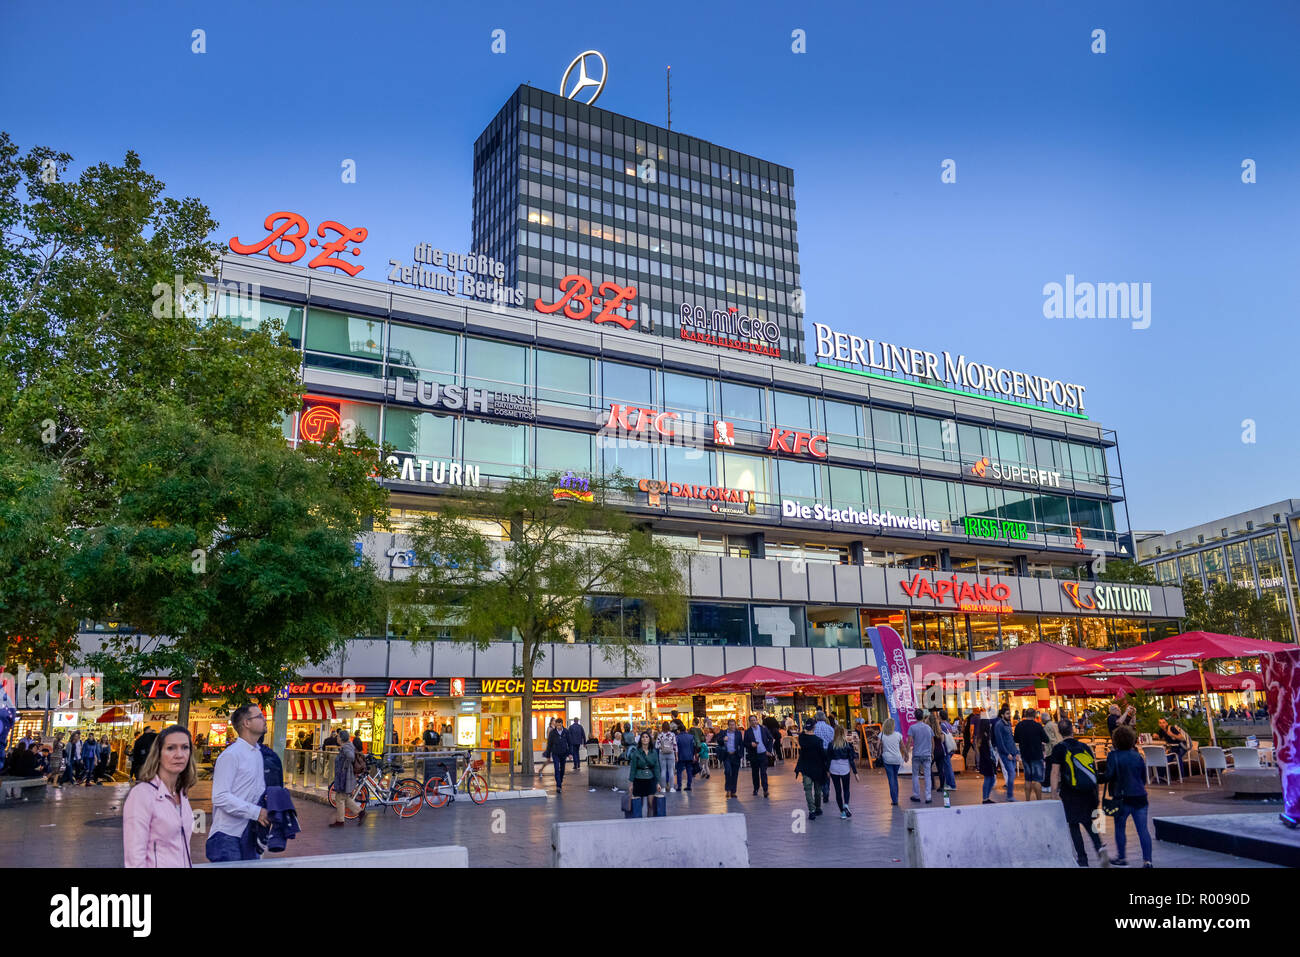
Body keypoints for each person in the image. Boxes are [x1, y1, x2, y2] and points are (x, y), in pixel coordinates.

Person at [122, 725, 196, 867]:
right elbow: (134, 858)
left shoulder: (181, 793)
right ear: (158, 754)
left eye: (185, 747)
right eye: (171, 748)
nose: (179, 754)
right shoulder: (142, 795)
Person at [207, 704, 270, 860]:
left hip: (252, 834)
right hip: (228, 835)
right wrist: (257, 812)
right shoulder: (230, 755)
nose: (264, 719)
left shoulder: (260, 754)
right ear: (246, 723)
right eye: (260, 716)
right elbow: (220, 796)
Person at [1045, 719, 1110, 867]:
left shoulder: (1059, 749)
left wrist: (1053, 793)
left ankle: (1083, 860)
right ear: (1072, 730)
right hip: (1088, 791)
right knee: (1089, 822)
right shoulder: (1085, 747)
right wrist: (1096, 793)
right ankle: (1100, 849)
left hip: (1070, 792)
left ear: (1060, 733)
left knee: (1074, 825)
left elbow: (1055, 772)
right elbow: (1093, 771)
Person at [1101, 725, 1153, 867]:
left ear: (1115, 740)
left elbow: (1109, 775)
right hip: (1140, 796)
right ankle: (1147, 860)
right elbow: (1143, 777)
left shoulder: (1113, 756)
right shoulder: (1138, 756)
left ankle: (1122, 857)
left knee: (1120, 828)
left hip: (1121, 797)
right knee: (1143, 830)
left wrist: (1097, 777)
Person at [329, 728, 364, 828]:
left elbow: (351, 757)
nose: (337, 738)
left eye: (338, 736)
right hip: (344, 775)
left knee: (339, 798)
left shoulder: (346, 747)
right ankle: (361, 813)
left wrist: (345, 766)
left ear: (341, 739)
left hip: (345, 776)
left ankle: (340, 821)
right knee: (344, 797)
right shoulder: (347, 746)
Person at [794, 718, 828, 820]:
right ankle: (817, 807)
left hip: (806, 768)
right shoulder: (818, 741)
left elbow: (803, 735)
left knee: (808, 790)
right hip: (818, 768)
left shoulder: (802, 738)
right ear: (814, 727)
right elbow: (823, 756)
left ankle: (811, 810)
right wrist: (827, 769)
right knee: (818, 791)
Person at [1014, 708, 1051, 800]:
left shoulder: (1019, 725)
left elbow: (1016, 739)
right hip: (1037, 755)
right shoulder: (1038, 726)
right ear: (1035, 715)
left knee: (1028, 779)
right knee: (1037, 779)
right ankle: (1039, 800)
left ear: (1025, 715)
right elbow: (1046, 739)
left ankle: (1028, 800)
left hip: (1025, 755)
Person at [825, 724, 859, 819]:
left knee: (838, 791)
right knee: (846, 789)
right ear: (843, 733)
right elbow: (851, 760)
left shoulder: (831, 744)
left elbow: (828, 759)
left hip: (834, 768)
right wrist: (855, 773)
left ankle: (842, 812)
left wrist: (827, 770)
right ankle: (846, 805)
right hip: (845, 769)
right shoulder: (847, 745)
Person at [626, 731, 662, 816]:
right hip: (639, 779)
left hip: (651, 779)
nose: (645, 738)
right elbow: (633, 769)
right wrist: (631, 784)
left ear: (649, 739)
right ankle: (638, 823)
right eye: (643, 737)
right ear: (640, 740)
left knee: (651, 804)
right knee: (639, 804)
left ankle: (650, 823)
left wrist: (658, 783)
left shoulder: (654, 752)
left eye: (647, 737)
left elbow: (657, 767)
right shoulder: (636, 752)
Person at [904, 708, 933, 803]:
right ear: (923, 716)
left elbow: (909, 742)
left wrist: (906, 753)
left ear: (915, 717)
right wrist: (931, 752)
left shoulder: (912, 728)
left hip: (916, 754)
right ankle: (928, 796)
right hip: (927, 754)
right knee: (927, 776)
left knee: (915, 775)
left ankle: (916, 795)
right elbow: (932, 741)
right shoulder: (928, 728)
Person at [992, 705, 1018, 801]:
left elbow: (1011, 739)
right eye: (1007, 713)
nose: (1009, 715)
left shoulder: (1008, 724)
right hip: (1006, 754)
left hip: (1012, 752)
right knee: (1011, 773)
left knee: (1012, 773)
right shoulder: (999, 725)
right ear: (1002, 715)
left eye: (1009, 713)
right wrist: (1007, 753)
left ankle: (1010, 794)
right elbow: (1000, 742)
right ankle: (1010, 795)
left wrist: (1016, 752)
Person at [744, 714, 774, 797]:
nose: (753, 722)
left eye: (755, 720)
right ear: (749, 722)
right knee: (755, 773)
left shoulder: (763, 729)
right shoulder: (748, 731)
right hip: (754, 755)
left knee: (763, 772)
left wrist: (769, 750)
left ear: (757, 720)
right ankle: (756, 788)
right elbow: (745, 743)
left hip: (763, 754)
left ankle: (765, 790)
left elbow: (771, 738)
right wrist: (751, 744)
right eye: (752, 721)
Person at [717, 718, 745, 799]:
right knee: (728, 772)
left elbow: (741, 744)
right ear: (728, 725)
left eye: (733, 725)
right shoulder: (723, 732)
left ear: (735, 725)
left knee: (735, 774)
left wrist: (741, 755)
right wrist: (723, 739)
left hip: (735, 755)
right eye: (730, 725)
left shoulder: (738, 733)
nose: (732, 726)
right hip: (727, 756)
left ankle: (733, 791)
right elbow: (718, 741)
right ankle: (728, 790)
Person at [879, 717, 904, 805]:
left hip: (887, 759)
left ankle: (894, 799)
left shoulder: (881, 735)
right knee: (895, 778)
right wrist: (906, 754)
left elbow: (878, 746)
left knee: (891, 779)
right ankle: (896, 797)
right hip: (897, 759)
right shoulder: (898, 735)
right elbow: (902, 746)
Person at [930, 710, 956, 792]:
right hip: (949, 748)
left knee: (947, 767)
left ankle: (951, 784)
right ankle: (949, 783)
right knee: (947, 766)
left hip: (945, 749)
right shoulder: (948, 724)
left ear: (940, 716)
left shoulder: (942, 725)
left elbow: (942, 739)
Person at [544, 717, 572, 792]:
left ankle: (560, 780)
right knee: (556, 768)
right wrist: (548, 756)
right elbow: (549, 744)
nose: (558, 727)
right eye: (557, 726)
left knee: (562, 769)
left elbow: (570, 743)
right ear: (555, 725)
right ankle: (558, 785)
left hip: (563, 753)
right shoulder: (552, 733)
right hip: (555, 753)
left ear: (562, 724)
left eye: (560, 725)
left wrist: (570, 753)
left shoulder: (566, 732)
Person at [813, 710, 834, 803]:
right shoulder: (830, 728)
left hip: (817, 752)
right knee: (827, 771)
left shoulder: (813, 728)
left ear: (816, 718)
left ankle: (821, 789)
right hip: (828, 752)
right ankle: (826, 789)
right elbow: (833, 741)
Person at [977, 717, 998, 803]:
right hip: (987, 760)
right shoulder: (984, 737)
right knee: (989, 778)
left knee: (990, 778)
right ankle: (985, 798)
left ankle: (986, 797)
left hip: (986, 760)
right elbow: (985, 751)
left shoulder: (982, 735)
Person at [655, 721, 678, 792]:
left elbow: (656, 746)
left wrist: (662, 747)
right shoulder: (672, 734)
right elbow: (675, 745)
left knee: (663, 771)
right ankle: (671, 788)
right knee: (671, 771)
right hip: (671, 754)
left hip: (662, 754)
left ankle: (663, 788)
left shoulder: (660, 735)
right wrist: (676, 755)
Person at [674, 723, 697, 791]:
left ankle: (679, 786)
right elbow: (694, 747)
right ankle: (689, 785)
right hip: (689, 756)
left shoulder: (677, 737)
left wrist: (676, 756)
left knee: (679, 772)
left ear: (679, 730)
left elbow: (676, 748)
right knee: (689, 771)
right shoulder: (691, 736)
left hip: (681, 756)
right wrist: (694, 755)